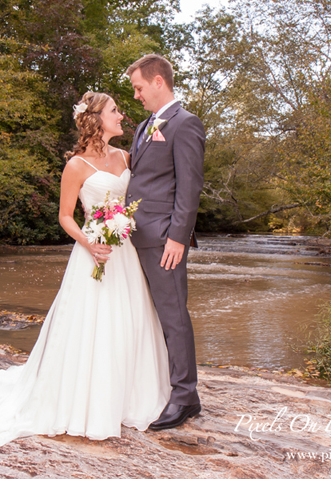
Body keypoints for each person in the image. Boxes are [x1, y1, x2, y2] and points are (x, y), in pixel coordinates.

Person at [0, 92, 170, 449]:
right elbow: (64, 216)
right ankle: (84, 400)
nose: (121, 115)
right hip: (93, 250)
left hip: (123, 252)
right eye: (115, 111)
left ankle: (127, 397)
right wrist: (89, 244)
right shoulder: (75, 166)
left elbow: (152, 179)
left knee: (129, 320)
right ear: (96, 119)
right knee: (91, 324)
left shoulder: (125, 156)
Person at [125, 54, 206, 430]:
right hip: (135, 238)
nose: (137, 96)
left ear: (159, 82)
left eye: (139, 88)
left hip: (162, 239)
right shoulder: (144, 126)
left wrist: (178, 237)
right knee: (149, 317)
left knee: (173, 317)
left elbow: (189, 187)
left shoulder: (185, 124)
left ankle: (185, 396)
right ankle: (161, 388)